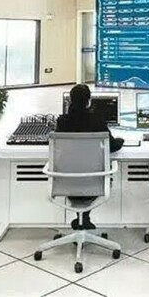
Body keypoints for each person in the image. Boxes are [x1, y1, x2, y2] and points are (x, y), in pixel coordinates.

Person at [56, 84, 124, 230]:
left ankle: (82, 219)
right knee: (94, 173)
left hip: (66, 181)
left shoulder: (62, 122)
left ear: (70, 101)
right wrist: (121, 141)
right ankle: (84, 218)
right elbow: (112, 146)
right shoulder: (97, 121)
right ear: (89, 101)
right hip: (94, 181)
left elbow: (57, 146)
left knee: (78, 174)